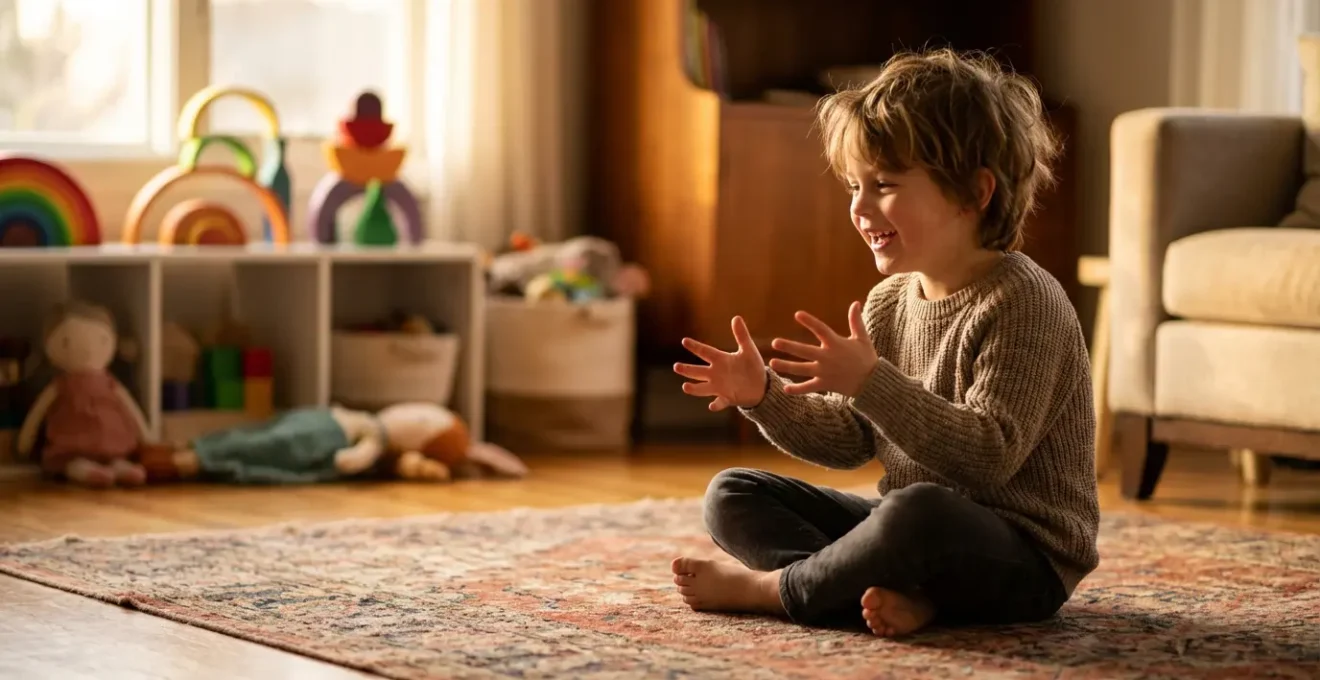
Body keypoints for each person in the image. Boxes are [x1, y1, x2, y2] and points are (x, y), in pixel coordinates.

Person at [670, 48, 1100, 638]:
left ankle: (780, 589)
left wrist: (872, 382)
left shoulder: (1025, 301)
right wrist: (763, 396)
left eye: (884, 185)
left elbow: (988, 458)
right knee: (733, 493)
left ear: (974, 193)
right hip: (912, 535)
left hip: (1021, 555)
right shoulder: (890, 300)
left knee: (916, 513)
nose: (859, 207)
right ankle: (882, 595)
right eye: (854, 185)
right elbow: (851, 441)